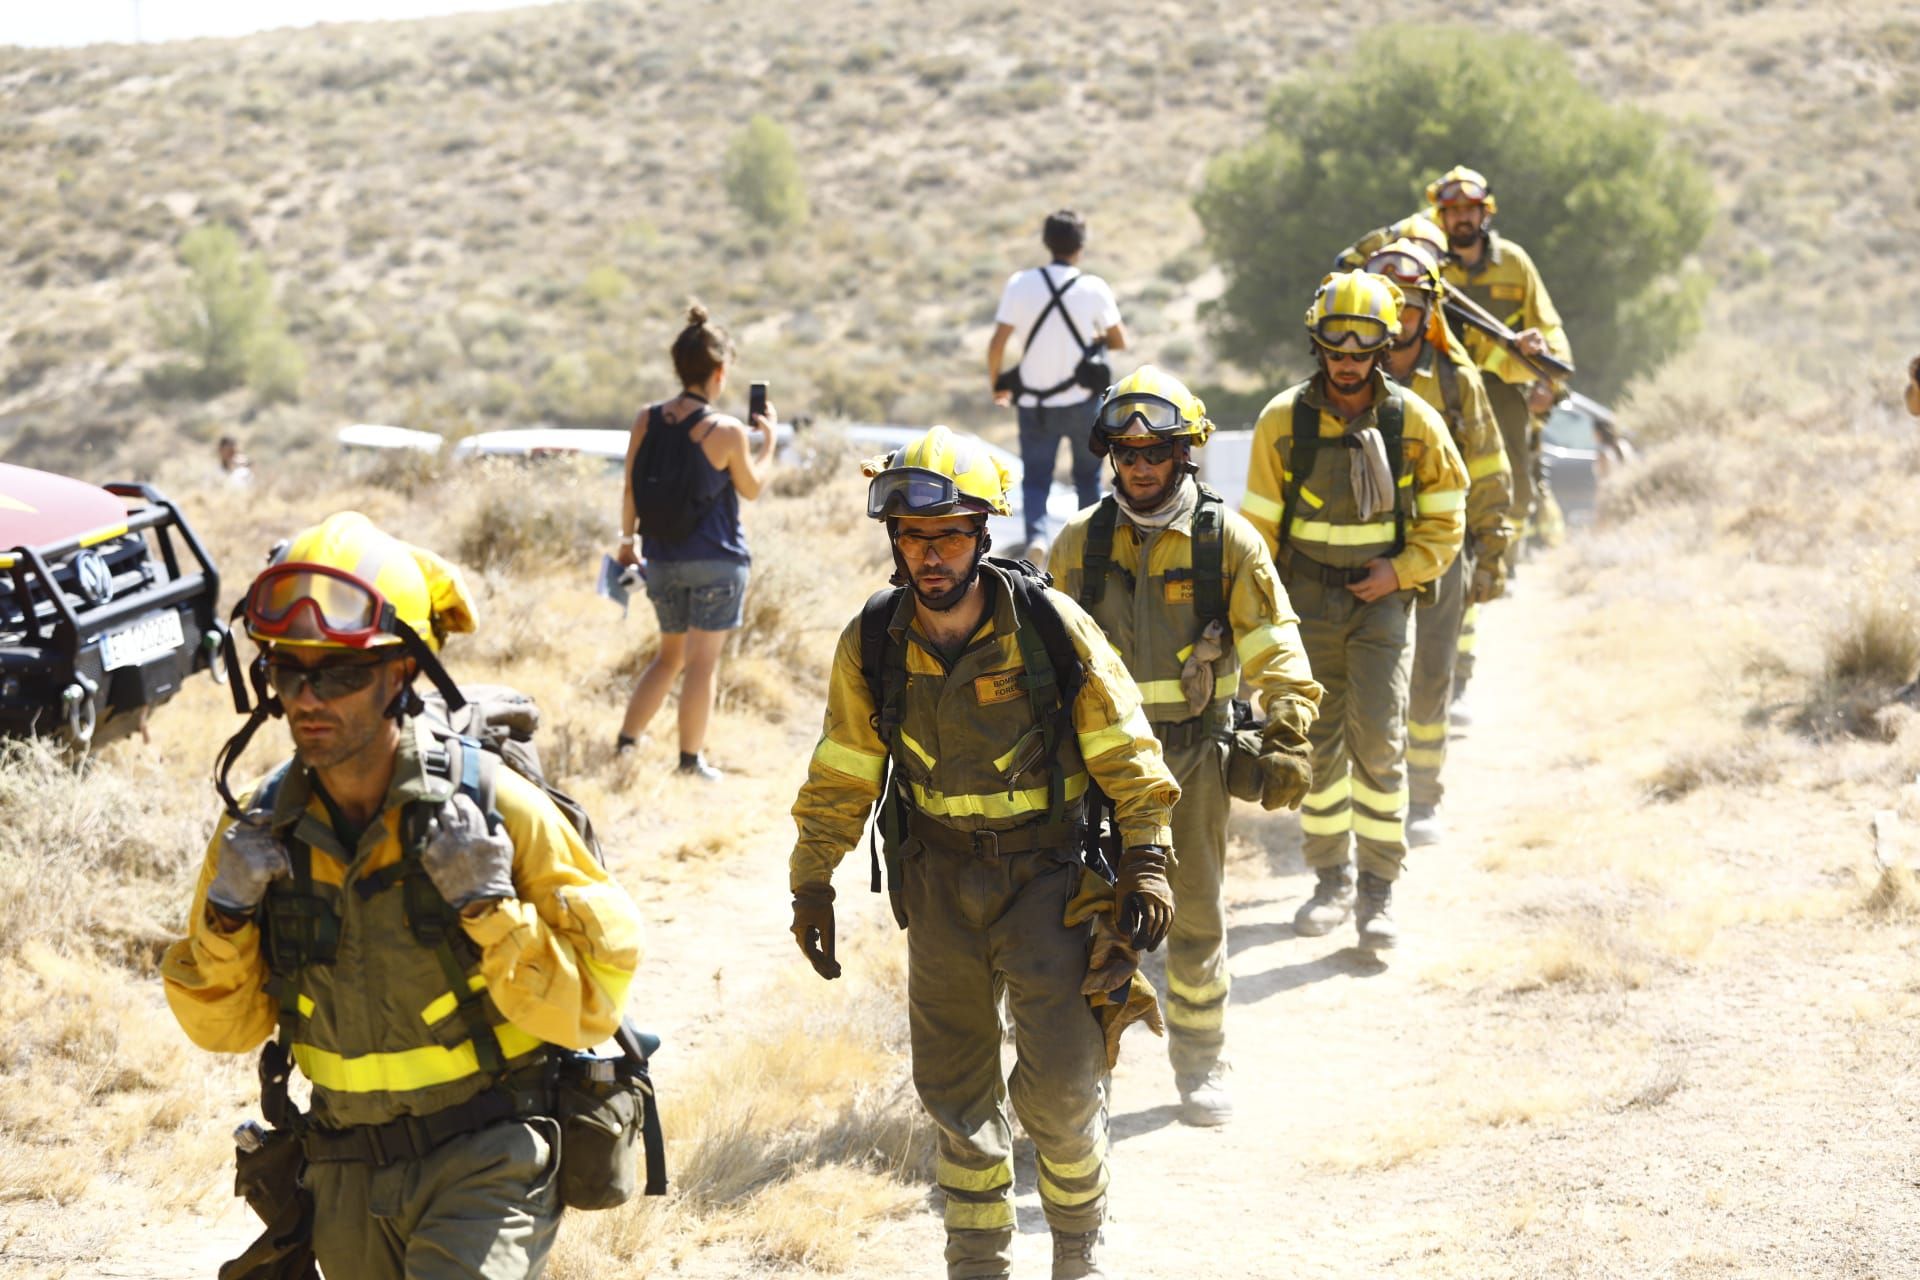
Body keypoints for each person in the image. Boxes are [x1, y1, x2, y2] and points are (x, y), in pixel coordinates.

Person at [161, 511, 643, 1280]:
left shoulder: (496, 808)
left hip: (490, 1150)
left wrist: (490, 909)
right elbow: (222, 1029)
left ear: (401, 674)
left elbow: (594, 1004)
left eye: (341, 673)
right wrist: (227, 915)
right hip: (344, 1168)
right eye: (289, 671)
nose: (308, 699)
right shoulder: (259, 828)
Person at [787, 426, 1179, 1280]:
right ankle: (976, 1259)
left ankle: (1076, 1246)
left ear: (982, 535)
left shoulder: (1047, 626)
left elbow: (1126, 751)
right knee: (956, 1096)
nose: (931, 556)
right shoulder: (875, 639)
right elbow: (845, 768)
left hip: (1048, 882)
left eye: (951, 534)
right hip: (938, 890)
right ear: (895, 542)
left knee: (1065, 1091)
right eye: (914, 538)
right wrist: (812, 879)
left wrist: (1147, 854)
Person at [1047, 366, 1321, 1126]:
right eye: (1126, 454)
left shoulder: (1224, 542)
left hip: (1192, 759)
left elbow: (1275, 641)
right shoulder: (1078, 543)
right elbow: (1039, 654)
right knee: (1088, 921)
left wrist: (1289, 720)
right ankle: (1088, 1080)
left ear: (1184, 454)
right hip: (1097, 765)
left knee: (1194, 916)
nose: (1139, 467)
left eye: (1155, 452)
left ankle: (1202, 1065)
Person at [1239, 272, 1468, 949]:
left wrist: (1397, 571)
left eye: (1362, 346)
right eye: (1335, 346)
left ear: (1382, 348)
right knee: (1314, 748)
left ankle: (1378, 893)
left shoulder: (1413, 422)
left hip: (1381, 608)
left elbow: (1446, 520)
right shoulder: (1282, 421)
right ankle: (1331, 881)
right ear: (1317, 345)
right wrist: (1252, 620)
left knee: (1379, 746)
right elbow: (1257, 537)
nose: (1347, 359)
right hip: (1304, 606)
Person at [1366, 239, 1514, 847]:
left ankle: (1422, 797)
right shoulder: (1341, 377)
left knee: (1429, 679)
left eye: (1411, 303)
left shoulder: (1455, 381)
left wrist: (1493, 545)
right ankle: (1372, 792)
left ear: (1431, 311)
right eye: (1388, 301)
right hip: (1359, 557)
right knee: (1368, 685)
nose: (1399, 314)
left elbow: (1488, 464)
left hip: (1438, 553)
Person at [613, 304, 777, 779]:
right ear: (720, 372)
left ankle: (626, 744)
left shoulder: (646, 419)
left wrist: (628, 541)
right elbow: (752, 488)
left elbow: (629, 486)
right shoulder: (724, 430)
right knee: (702, 665)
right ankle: (689, 761)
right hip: (718, 562)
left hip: (661, 558)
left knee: (668, 658)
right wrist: (766, 444)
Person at [1427, 165, 1572, 570]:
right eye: (1452, 209)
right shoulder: (1428, 263)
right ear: (1440, 216)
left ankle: (1500, 567)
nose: (1462, 217)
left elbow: (1549, 329)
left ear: (1485, 211)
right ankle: (1452, 564)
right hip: (1441, 390)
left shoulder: (1514, 262)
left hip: (1502, 393)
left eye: (1470, 207)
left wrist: (1551, 384)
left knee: (1516, 487)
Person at [987, 210, 1130, 562]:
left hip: (1034, 403)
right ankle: (1090, 543)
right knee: (1087, 477)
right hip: (1082, 402)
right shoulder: (1093, 287)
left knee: (1036, 478)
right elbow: (1119, 340)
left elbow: (997, 344)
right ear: (1080, 246)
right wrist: (1092, 337)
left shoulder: (1020, 284)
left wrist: (998, 385)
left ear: (1046, 242)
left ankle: (1036, 536)